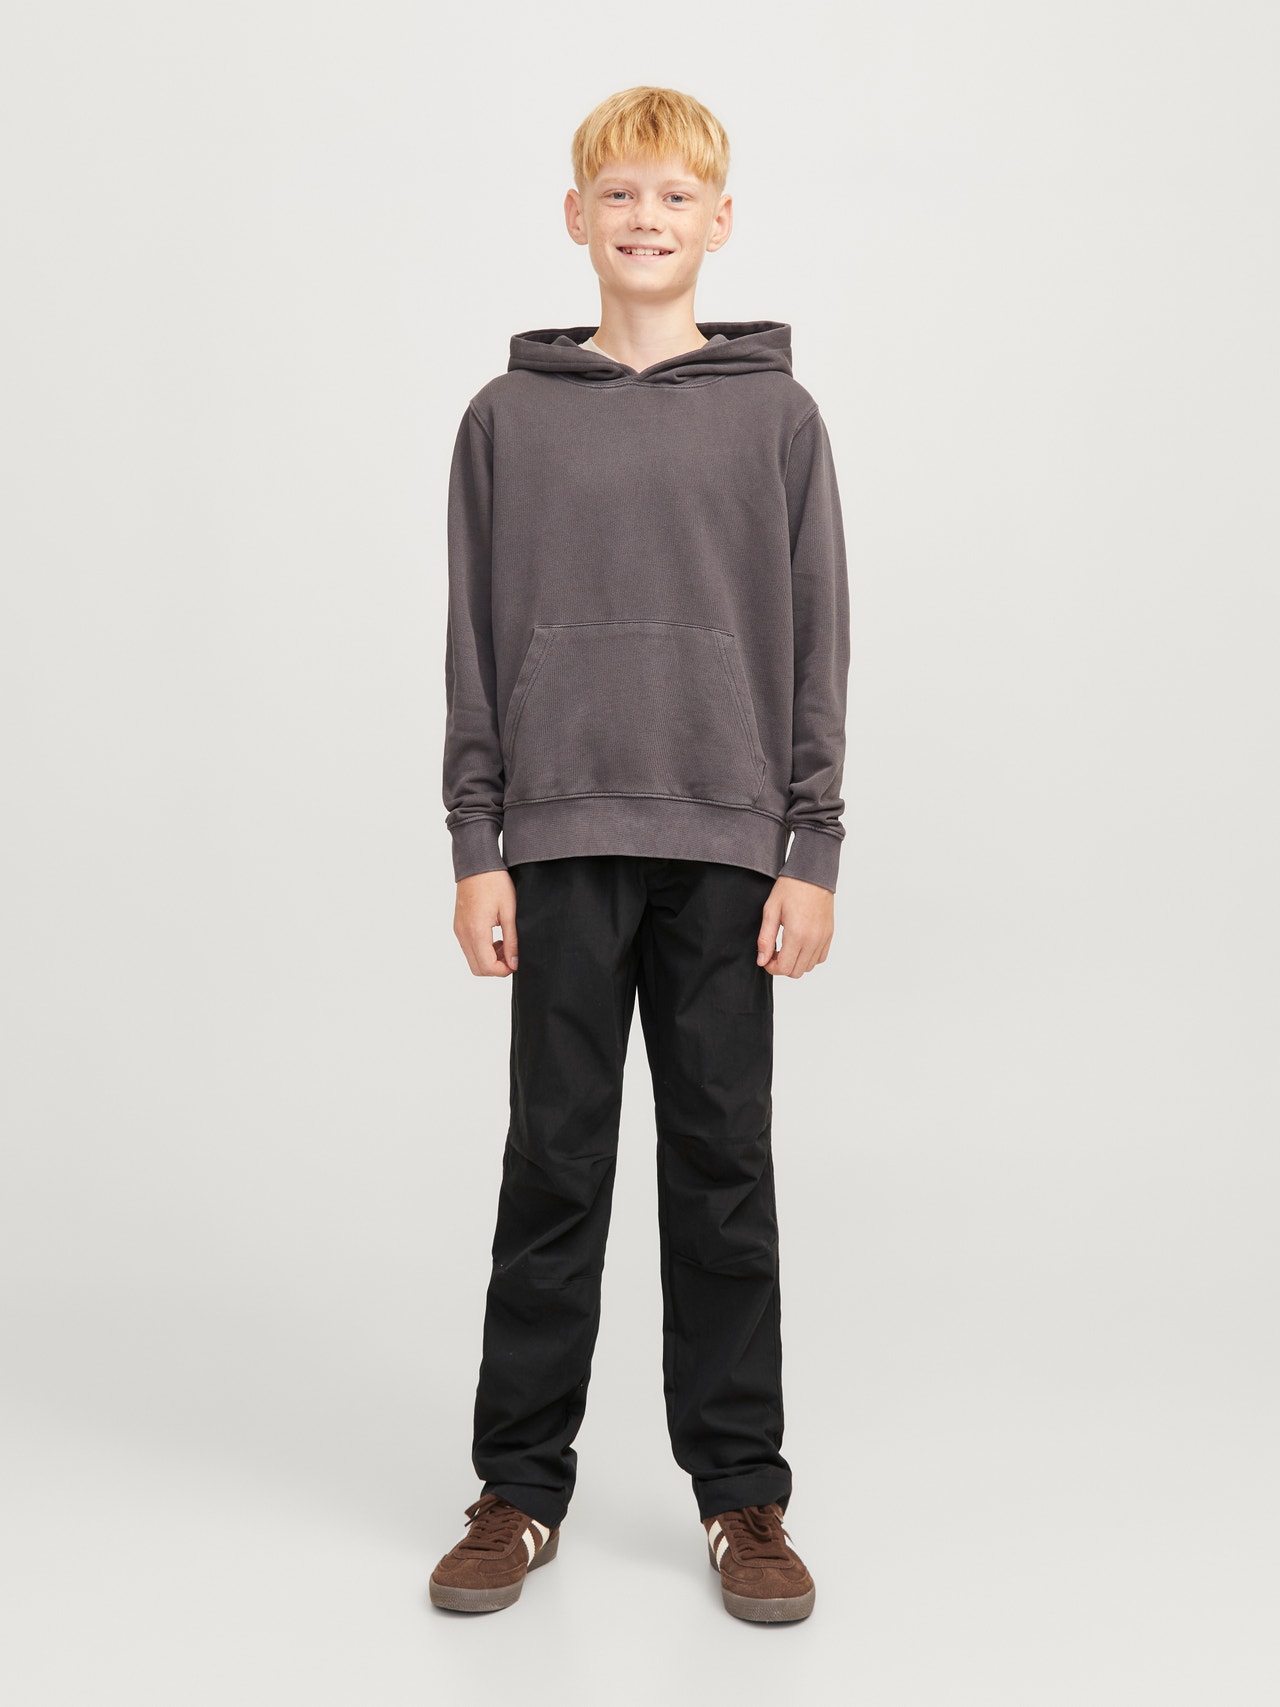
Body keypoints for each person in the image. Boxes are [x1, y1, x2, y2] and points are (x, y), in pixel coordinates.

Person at [430, 84, 850, 1624]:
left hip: (729, 845)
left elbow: (818, 640)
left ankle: (743, 1496)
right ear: (576, 218)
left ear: (720, 223)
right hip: (556, 839)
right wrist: (476, 840)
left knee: (722, 1168)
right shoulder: (506, 419)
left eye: (676, 196)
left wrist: (812, 844)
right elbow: (474, 643)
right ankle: (517, 1490)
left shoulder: (778, 421)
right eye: (620, 195)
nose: (647, 219)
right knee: (555, 1161)